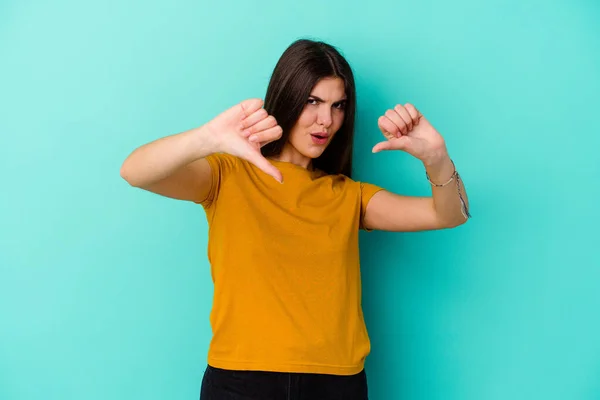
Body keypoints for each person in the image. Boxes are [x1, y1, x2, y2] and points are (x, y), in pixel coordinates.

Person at [120, 38, 470, 400]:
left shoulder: (348, 196)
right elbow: (135, 172)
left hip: (336, 384)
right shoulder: (228, 176)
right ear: (287, 98)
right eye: (313, 102)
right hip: (242, 380)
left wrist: (437, 158)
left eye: (338, 106)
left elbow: (448, 213)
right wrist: (206, 138)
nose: (326, 120)